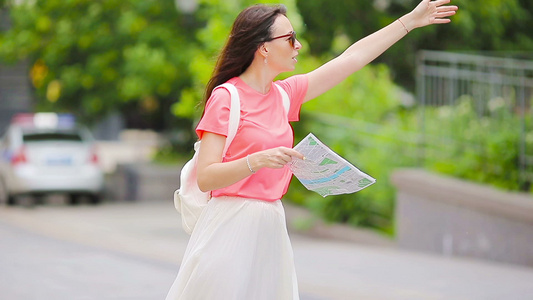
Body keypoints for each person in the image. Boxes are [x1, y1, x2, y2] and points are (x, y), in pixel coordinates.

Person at [165, 1, 458, 299]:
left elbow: (352, 58)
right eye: (290, 38)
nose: (298, 45)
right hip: (229, 227)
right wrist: (257, 161)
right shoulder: (226, 97)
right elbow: (207, 177)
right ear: (263, 48)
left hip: (270, 227)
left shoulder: (284, 96)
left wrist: (409, 21)